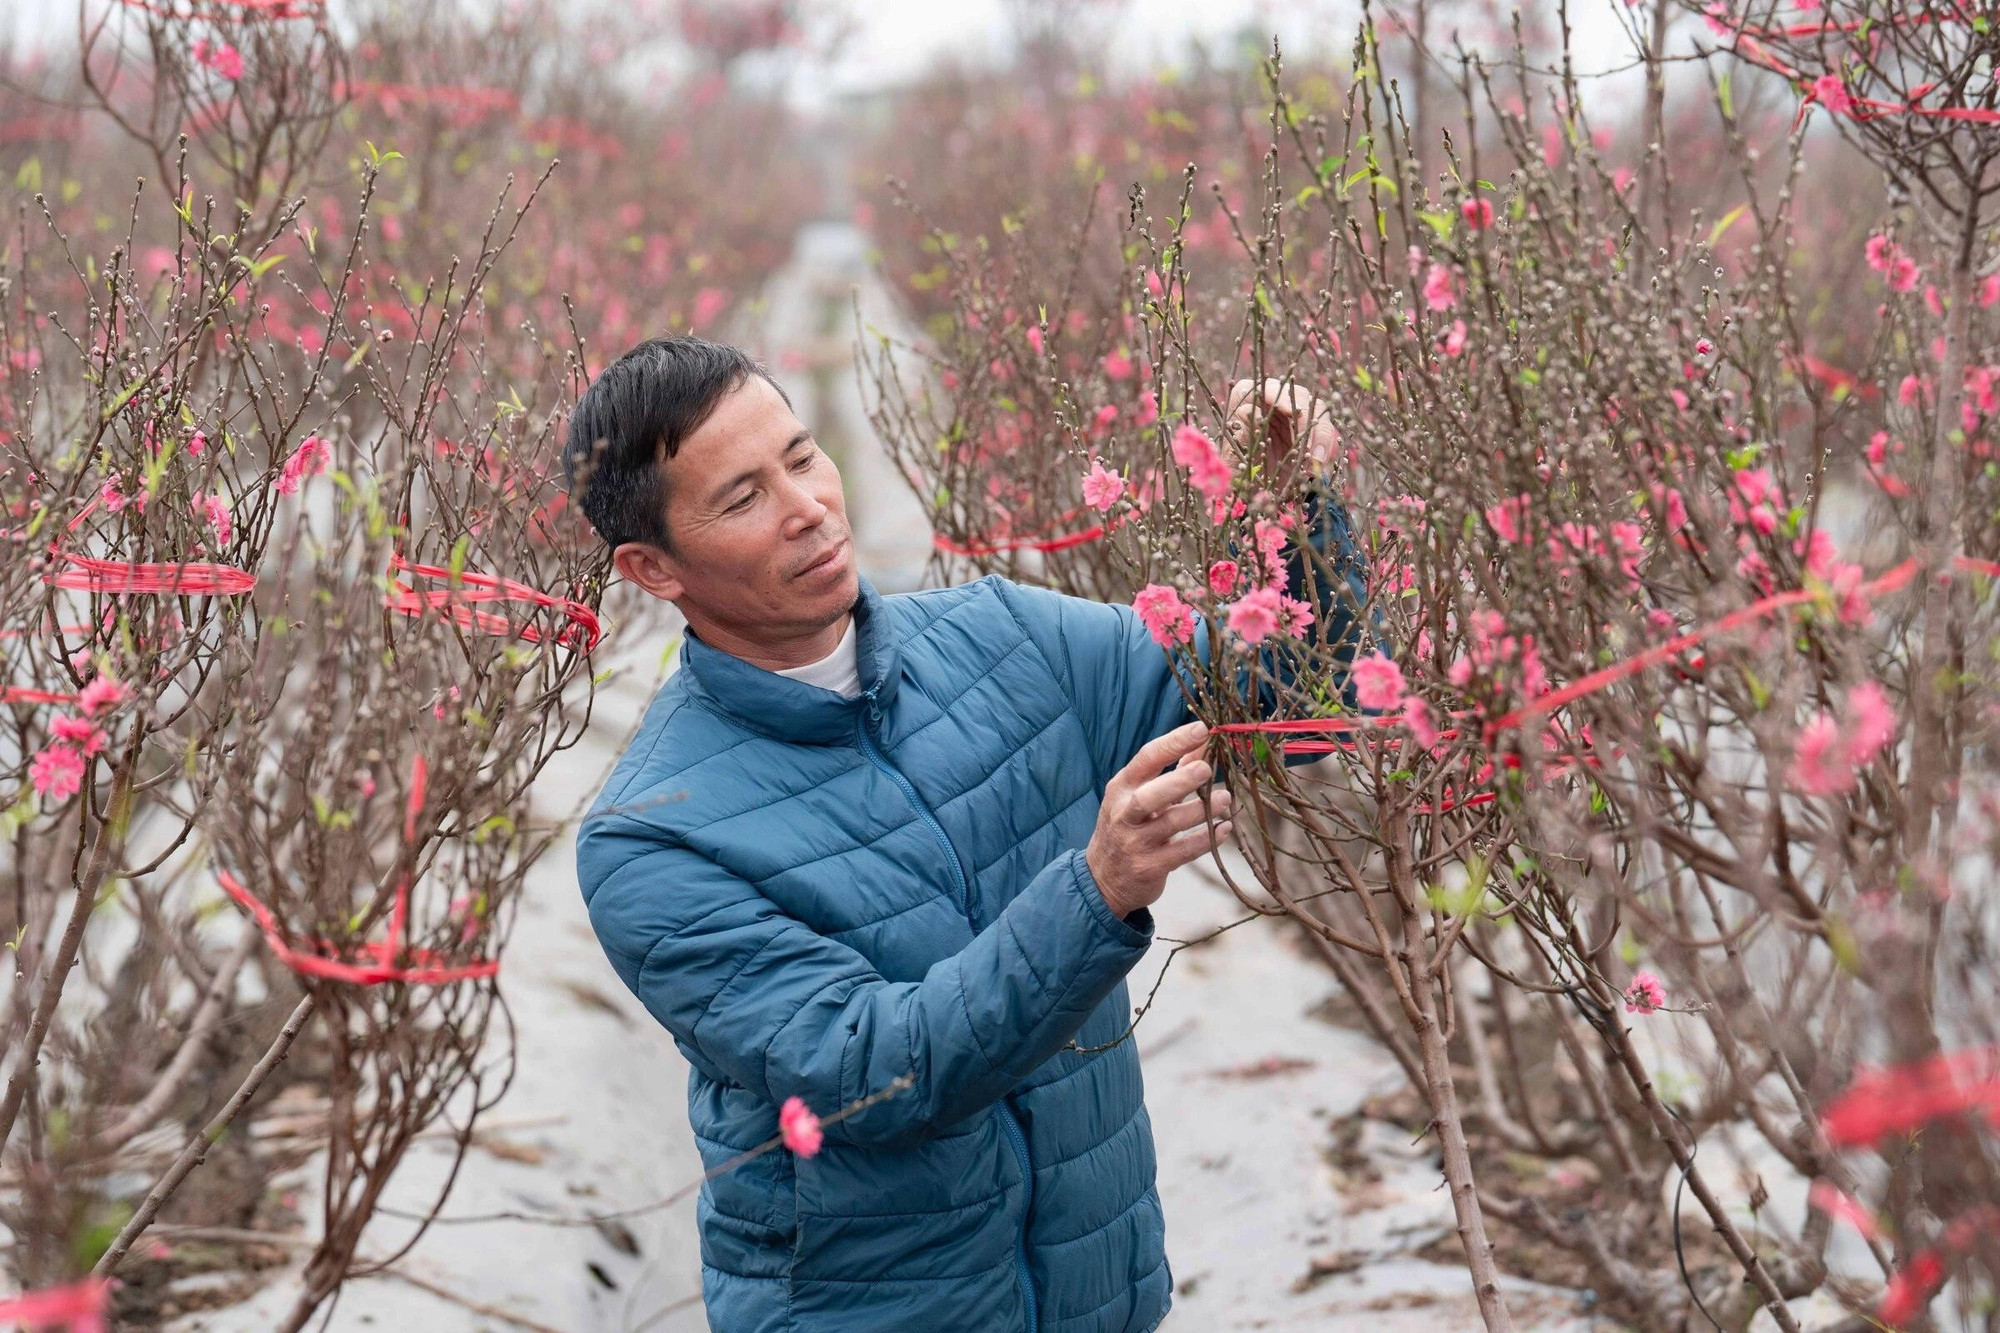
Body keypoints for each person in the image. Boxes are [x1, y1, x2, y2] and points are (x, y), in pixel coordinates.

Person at [566, 336, 1365, 1333]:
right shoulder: (653, 839)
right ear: (651, 568)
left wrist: (1302, 511)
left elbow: (1296, 704)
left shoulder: (1007, 641)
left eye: (802, 456)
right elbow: (875, 1074)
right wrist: (1095, 890)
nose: (806, 505)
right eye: (741, 499)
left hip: (1094, 1294)